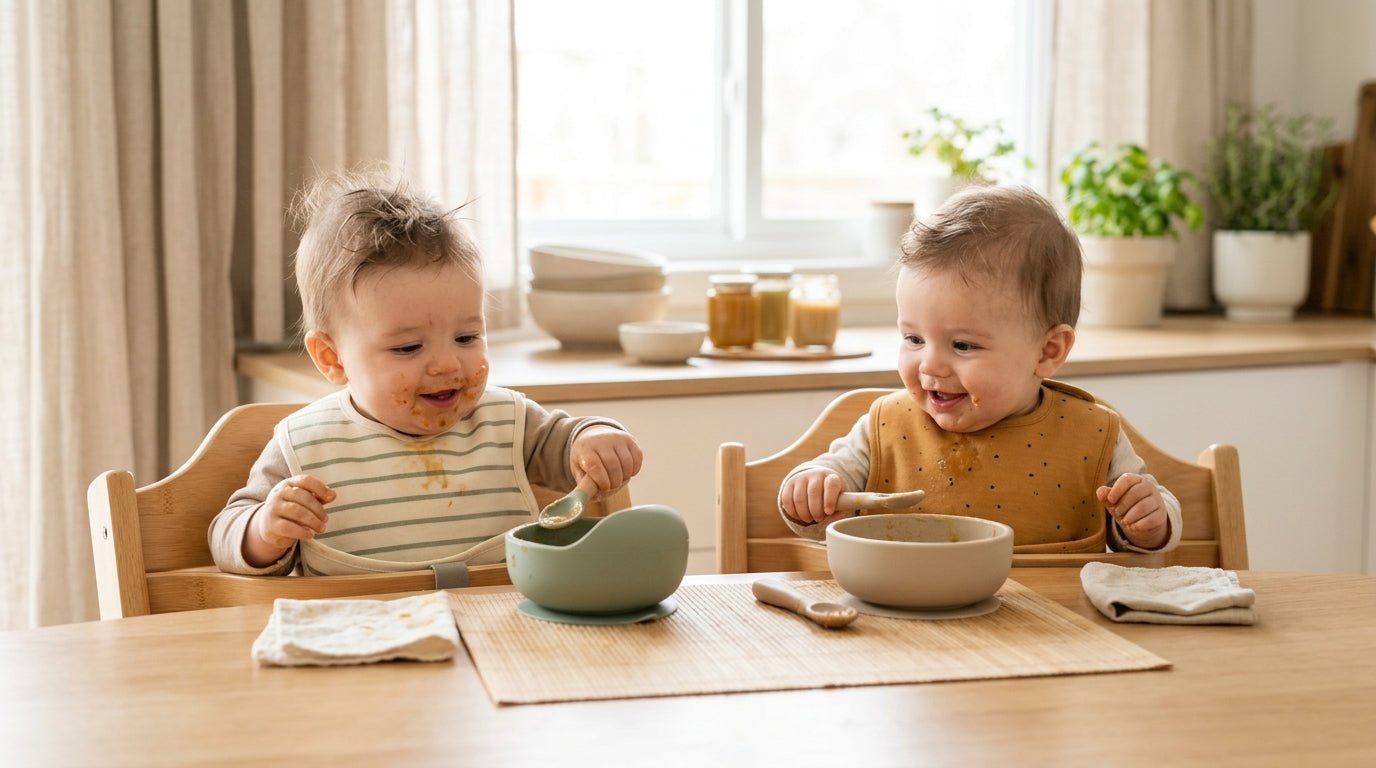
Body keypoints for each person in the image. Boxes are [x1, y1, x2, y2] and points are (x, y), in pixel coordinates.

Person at [211, 167, 643, 576]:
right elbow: (226, 533)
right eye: (408, 347)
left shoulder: (508, 422)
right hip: (361, 639)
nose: (447, 364)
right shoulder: (303, 446)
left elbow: (565, 439)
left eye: (467, 338)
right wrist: (266, 528)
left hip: (504, 636)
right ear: (332, 358)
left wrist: (594, 438)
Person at [778, 185, 1180, 554]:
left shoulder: (1093, 435)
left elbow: (1148, 521)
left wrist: (1149, 521)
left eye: (963, 345)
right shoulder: (885, 427)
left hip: (1054, 627)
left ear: (1048, 351)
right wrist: (811, 492)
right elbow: (829, 501)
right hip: (907, 618)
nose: (930, 364)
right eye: (913, 339)